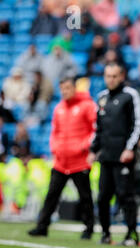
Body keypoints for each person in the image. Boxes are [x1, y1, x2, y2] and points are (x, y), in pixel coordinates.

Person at [28, 77, 97, 239]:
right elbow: (55, 132)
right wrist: (55, 149)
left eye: (67, 88)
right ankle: (42, 226)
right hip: (61, 161)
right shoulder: (59, 108)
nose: (64, 92)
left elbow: (95, 130)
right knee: (52, 194)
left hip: (80, 161)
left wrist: (83, 147)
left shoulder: (87, 106)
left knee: (85, 196)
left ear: (74, 88)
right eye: (62, 89)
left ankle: (89, 228)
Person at [88, 62, 140, 246]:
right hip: (106, 156)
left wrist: (129, 148)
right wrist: (93, 150)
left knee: (125, 195)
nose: (110, 79)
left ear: (121, 76)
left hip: (123, 156)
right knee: (103, 196)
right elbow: (98, 128)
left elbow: (138, 125)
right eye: (107, 76)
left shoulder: (130, 95)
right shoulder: (101, 97)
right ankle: (105, 233)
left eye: (114, 76)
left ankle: (132, 234)